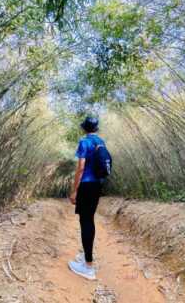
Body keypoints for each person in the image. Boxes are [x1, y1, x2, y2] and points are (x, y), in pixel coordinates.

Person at [68, 116, 105, 280]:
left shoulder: (84, 142)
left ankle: (88, 267)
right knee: (89, 220)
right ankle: (86, 258)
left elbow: (81, 167)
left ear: (84, 128)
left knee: (85, 222)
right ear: (96, 128)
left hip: (86, 185)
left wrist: (74, 190)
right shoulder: (100, 142)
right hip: (97, 185)